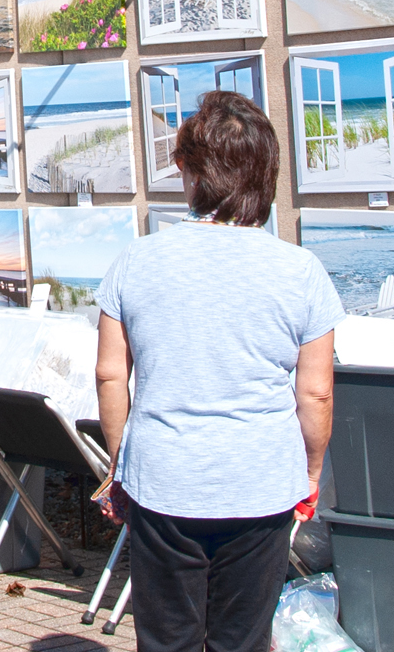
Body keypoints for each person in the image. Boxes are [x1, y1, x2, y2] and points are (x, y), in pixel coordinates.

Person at [95, 91, 341, 652]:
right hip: (261, 479)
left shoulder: (136, 260)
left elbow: (112, 376)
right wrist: (310, 471)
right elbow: (317, 392)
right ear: (266, 172)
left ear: (186, 169)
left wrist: (118, 467)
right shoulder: (300, 271)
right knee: (243, 640)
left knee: (167, 639)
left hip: (162, 477)